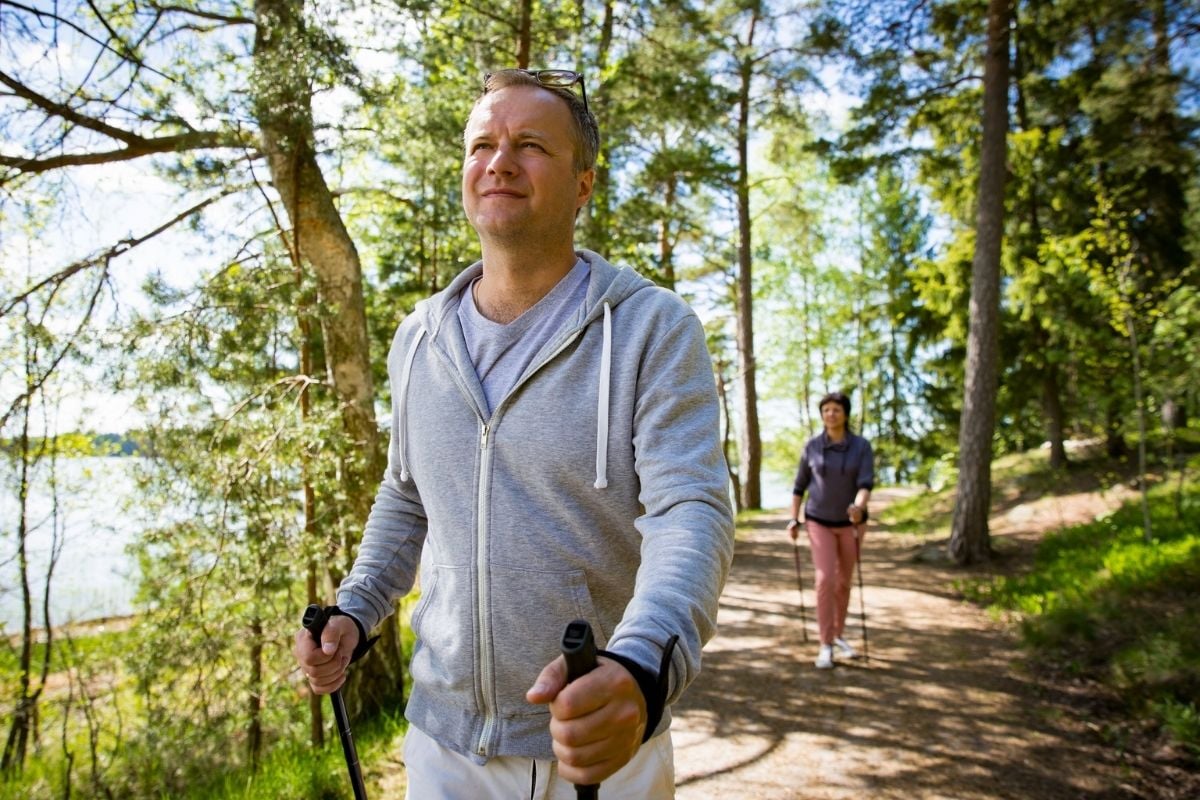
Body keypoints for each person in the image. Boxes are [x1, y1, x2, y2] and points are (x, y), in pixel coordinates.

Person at [293, 68, 734, 799]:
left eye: (530, 145)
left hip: (597, 742)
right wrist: (357, 608)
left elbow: (691, 512)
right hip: (442, 747)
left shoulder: (653, 328)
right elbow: (407, 497)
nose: (499, 162)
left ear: (584, 185)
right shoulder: (418, 339)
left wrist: (643, 667)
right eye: (481, 145)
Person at [784, 391, 874, 669]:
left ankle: (838, 634)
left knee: (844, 582)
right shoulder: (812, 446)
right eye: (826, 410)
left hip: (851, 523)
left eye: (836, 409)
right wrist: (793, 518)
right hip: (818, 520)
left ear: (845, 414)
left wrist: (858, 507)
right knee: (825, 579)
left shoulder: (861, 446)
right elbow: (799, 486)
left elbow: (865, 483)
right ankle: (825, 644)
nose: (830, 414)